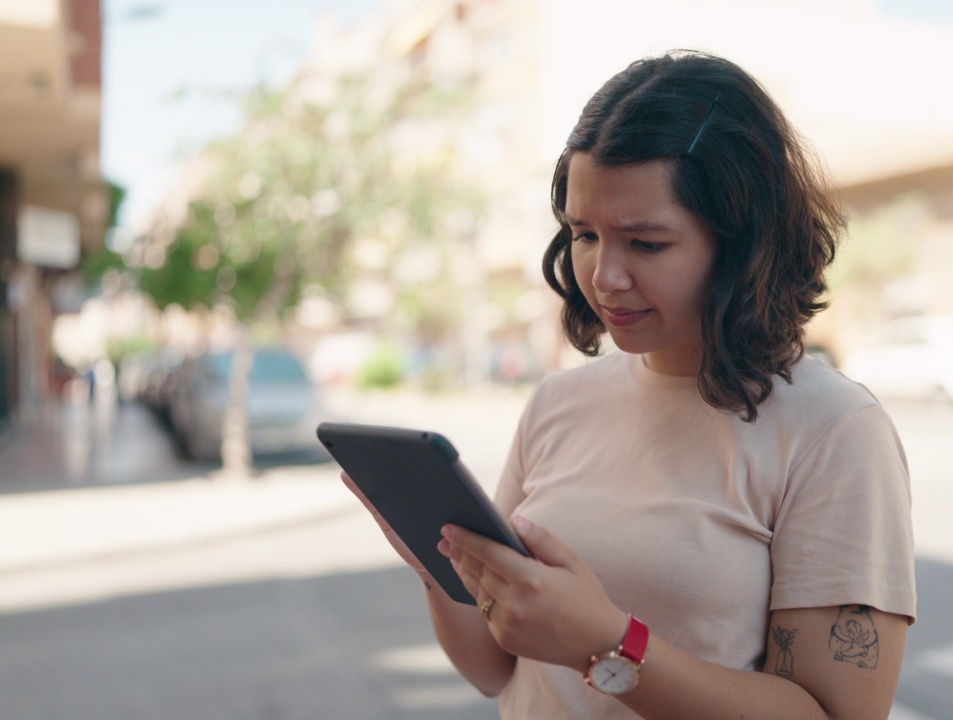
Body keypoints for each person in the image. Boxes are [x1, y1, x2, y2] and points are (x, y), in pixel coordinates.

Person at [343, 49, 916, 720]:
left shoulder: (833, 430)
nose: (604, 275)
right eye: (584, 234)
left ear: (741, 245)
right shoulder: (558, 402)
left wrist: (607, 644)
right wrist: (435, 562)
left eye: (646, 244)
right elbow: (492, 668)